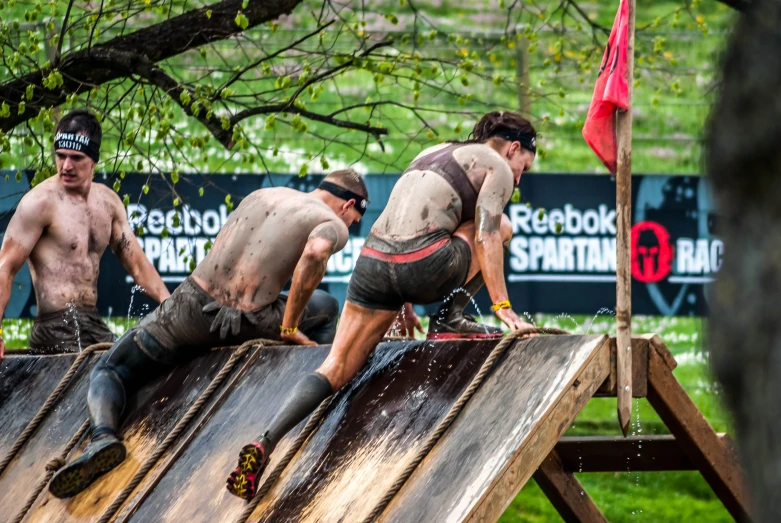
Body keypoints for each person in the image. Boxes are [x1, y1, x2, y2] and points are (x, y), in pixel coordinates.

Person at [226, 110, 537, 500]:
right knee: (501, 225)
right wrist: (502, 305)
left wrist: (402, 300)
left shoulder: (431, 150)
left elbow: (404, 221)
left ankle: (266, 440)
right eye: (523, 166)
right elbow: (488, 236)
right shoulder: (498, 168)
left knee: (335, 368)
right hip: (425, 265)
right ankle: (450, 318)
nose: (519, 177)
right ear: (513, 148)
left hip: (373, 265)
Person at [48, 169, 369, 499]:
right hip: (251, 319)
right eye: (355, 219)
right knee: (328, 306)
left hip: (190, 309)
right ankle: (317, 409)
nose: (351, 225)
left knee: (110, 368)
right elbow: (315, 253)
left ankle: (103, 435)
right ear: (347, 205)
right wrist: (289, 327)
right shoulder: (329, 221)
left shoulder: (262, 196)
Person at [0, 109, 169, 359]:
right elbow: (5, 267)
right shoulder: (39, 202)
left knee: (135, 366)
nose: (66, 166)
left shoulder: (108, 203)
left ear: (94, 160)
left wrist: (170, 307)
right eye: (60, 156)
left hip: (92, 323)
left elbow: (138, 266)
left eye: (76, 158)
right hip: (55, 326)